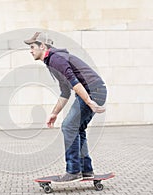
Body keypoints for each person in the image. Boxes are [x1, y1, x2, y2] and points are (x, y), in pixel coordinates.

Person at [24, 32, 107, 183]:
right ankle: (86, 170)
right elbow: (65, 91)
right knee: (77, 129)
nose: (30, 50)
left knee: (68, 127)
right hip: (93, 91)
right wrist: (54, 113)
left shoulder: (56, 59)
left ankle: (74, 171)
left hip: (93, 91)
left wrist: (89, 102)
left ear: (42, 46)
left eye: (32, 47)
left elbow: (74, 82)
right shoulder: (51, 61)